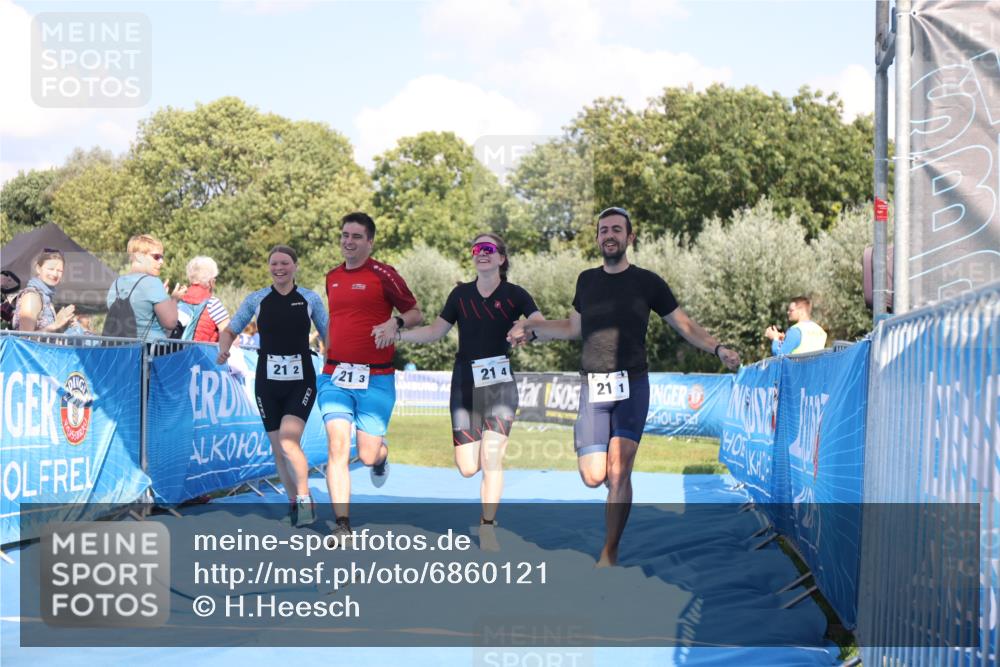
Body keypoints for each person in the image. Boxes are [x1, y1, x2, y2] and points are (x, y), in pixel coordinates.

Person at [508, 206, 741, 566]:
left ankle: (609, 552)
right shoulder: (586, 280)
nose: (610, 235)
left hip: (632, 385)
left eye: (617, 229)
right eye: (603, 230)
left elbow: (685, 325)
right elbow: (573, 328)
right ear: (598, 238)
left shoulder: (648, 282)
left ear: (630, 237)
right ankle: (615, 492)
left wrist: (718, 348)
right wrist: (532, 330)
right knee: (594, 475)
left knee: (619, 471)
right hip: (593, 388)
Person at [394, 233, 544, 528]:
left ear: (501, 258)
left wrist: (525, 325)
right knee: (467, 467)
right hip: (464, 386)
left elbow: (540, 322)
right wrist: (399, 336)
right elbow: (435, 331)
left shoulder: (516, 294)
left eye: (488, 249)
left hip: (500, 387)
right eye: (476, 249)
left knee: (491, 458)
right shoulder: (460, 296)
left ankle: (488, 525)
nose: (481, 253)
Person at [320, 212, 422, 544]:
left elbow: (415, 313)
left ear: (370, 241)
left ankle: (381, 457)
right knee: (336, 445)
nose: (348, 242)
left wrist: (396, 323)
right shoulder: (332, 277)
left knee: (366, 454)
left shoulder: (384, 275)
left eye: (356, 237)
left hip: (376, 378)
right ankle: (342, 524)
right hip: (335, 375)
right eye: (344, 235)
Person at [216, 245, 328, 527]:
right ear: (269, 267)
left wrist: (335, 362)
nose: (279, 268)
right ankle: (293, 501)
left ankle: (304, 499)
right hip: (267, 381)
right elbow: (231, 329)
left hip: (301, 380)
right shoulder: (257, 299)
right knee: (278, 448)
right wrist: (224, 349)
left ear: (295, 266)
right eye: (274, 263)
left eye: (285, 263)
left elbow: (329, 333)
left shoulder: (309, 298)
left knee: (290, 442)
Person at [105, 234, 186, 341]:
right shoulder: (152, 283)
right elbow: (170, 323)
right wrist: (174, 300)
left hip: (120, 351)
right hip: (150, 352)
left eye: (162, 257)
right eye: (156, 257)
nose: (161, 262)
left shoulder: (116, 283)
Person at [13, 249, 77, 333]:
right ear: (38, 269)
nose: (55, 274)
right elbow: (25, 339)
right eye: (51, 269)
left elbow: (48, 332)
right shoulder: (32, 296)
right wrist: (56, 324)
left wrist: (63, 326)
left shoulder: (46, 296)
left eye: (59, 271)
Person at [179, 256, 230, 342]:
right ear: (211, 281)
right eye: (214, 279)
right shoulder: (212, 303)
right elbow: (229, 334)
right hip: (201, 354)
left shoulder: (179, 298)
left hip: (176, 353)